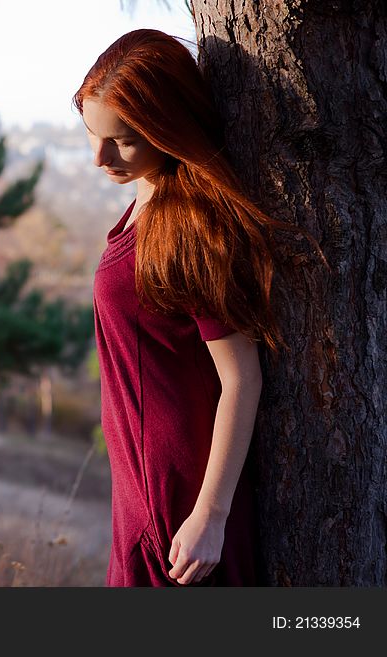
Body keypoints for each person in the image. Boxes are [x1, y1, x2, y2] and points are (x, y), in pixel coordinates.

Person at [72, 29, 306, 586]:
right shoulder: (147, 202)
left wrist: (210, 516)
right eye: (91, 134)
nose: (100, 157)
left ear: (168, 129)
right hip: (140, 492)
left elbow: (241, 378)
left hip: (180, 512)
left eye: (123, 141)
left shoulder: (189, 229)